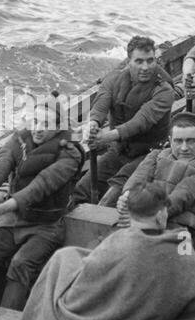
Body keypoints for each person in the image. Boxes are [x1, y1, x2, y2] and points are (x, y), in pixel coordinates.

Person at [18, 182, 195, 320]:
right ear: (159, 215)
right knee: (68, 255)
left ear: (131, 214)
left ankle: (35, 318)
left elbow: (95, 274)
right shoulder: (181, 245)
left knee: (62, 258)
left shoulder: (115, 244)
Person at [0, 95, 83, 310]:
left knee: (20, 264)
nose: (38, 129)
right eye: (35, 122)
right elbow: (3, 162)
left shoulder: (70, 154)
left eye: (46, 124)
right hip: (16, 218)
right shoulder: (19, 140)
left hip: (47, 226)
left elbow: (40, 187)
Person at [72, 35, 181, 206]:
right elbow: (101, 105)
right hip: (119, 150)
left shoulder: (164, 90)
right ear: (128, 61)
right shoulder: (113, 79)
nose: (145, 67)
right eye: (139, 61)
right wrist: (92, 125)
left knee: (111, 200)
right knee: (81, 191)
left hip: (150, 154)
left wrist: (104, 138)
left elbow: (139, 122)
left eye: (150, 61)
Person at [120, 112, 195, 241]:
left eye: (190, 141)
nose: (184, 148)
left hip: (181, 223)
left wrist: (150, 214)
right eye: (178, 141)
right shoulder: (156, 155)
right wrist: (127, 196)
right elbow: (139, 177)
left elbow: (184, 194)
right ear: (170, 141)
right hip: (146, 215)